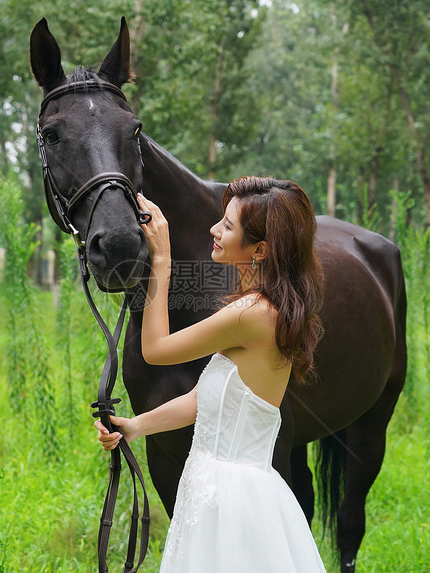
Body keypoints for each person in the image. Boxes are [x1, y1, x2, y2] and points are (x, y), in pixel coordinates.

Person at [94, 176, 326, 572]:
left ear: (260, 249)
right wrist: (136, 426)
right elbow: (208, 398)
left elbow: (155, 350)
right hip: (215, 490)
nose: (214, 230)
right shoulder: (263, 308)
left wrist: (161, 260)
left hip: (230, 502)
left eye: (228, 226)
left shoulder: (251, 315)